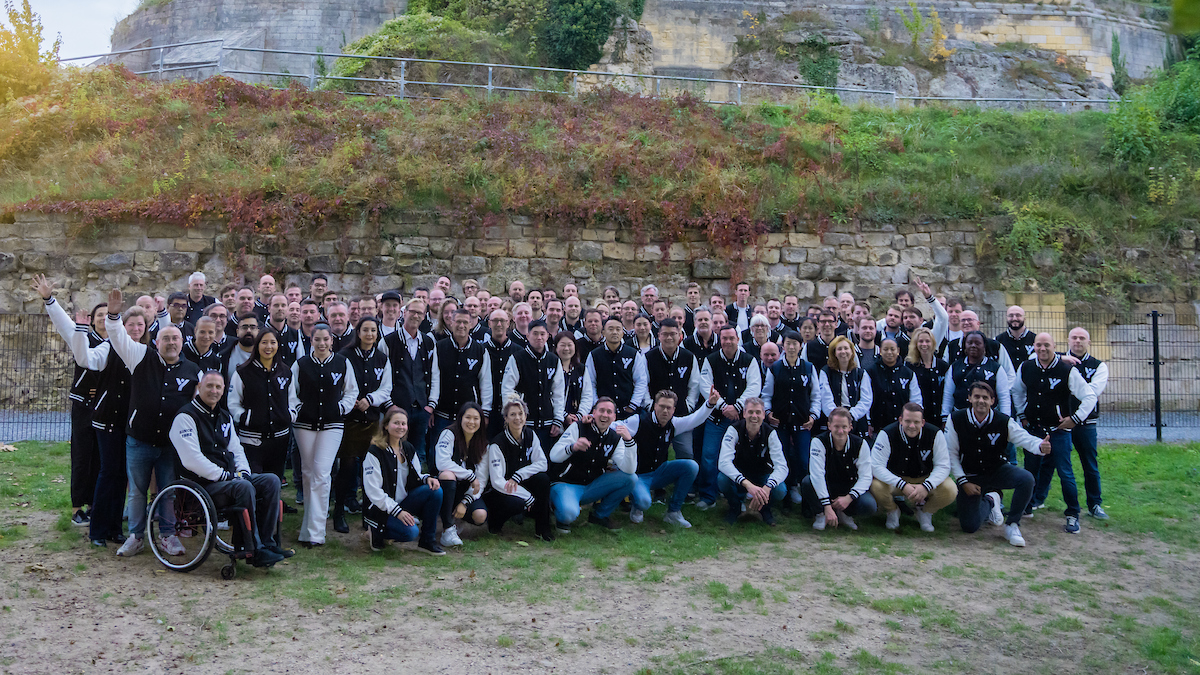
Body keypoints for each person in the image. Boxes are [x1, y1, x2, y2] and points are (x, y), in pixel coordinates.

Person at [103, 288, 202, 557]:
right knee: (136, 492)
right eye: (165, 338)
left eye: (175, 338)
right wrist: (113, 315)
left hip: (170, 444)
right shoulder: (140, 356)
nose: (171, 342)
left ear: (182, 342)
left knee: (168, 491)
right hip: (139, 439)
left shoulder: (192, 370)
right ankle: (135, 537)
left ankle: (168, 536)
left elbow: (201, 404)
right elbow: (118, 338)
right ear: (156, 342)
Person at [170, 371, 288, 567]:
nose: (214, 391)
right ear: (199, 387)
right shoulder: (185, 417)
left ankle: (268, 543)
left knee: (271, 481)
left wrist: (244, 472)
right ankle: (252, 549)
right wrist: (225, 475)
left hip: (229, 480)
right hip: (202, 486)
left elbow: (236, 449)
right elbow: (191, 460)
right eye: (209, 386)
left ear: (224, 390)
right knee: (243, 487)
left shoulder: (224, 416)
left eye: (218, 387)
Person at [34, 275, 103, 529]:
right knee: (82, 455)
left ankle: (96, 504)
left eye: (107, 315)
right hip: (84, 405)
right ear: (92, 320)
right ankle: (77, 507)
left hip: (108, 408)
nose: (103, 319)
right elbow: (63, 323)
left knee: (101, 457)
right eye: (99, 315)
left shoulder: (119, 342)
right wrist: (48, 299)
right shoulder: (81, 336)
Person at [946, 382, 1050, 547]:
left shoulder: (1003, 421)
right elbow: (951, 454)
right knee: (969, 526)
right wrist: (963, 481)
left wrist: (1040, 446)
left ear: (992, 401)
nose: (981, 401)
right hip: (971, 475)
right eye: (977, 396)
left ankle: (1012, 525)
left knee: (1026, 479)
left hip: (997, 470)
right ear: (969, 398)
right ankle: (991, 500)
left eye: (985, 397)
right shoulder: (955, 419)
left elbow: (1023, 437)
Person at [1013, 333, 1097, 534]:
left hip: (1058, 431)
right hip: (1033, 430)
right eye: (1038, 345)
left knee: (1065, 473)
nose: (1042, 349)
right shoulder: (1026, 367)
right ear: (1033, 346)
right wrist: (1022, 415)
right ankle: (1026, 507)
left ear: (1054, 346)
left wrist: (1075, 419)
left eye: (1046, 345)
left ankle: (1072, 514)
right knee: (1029, 471)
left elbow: (1089, 396)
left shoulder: (1066, 370)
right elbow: (1017, 391)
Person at [288, 323, 359, 547]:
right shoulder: (301, 364)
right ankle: (307, 529)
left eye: (325, 339)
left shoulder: (342, 363)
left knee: (321, 473)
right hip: (304, 426)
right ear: (311, 341)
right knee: (308, 474)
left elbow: (351, 391)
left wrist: (340, 408)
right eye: (317, 339)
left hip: (332, 425)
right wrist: (298, 410)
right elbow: (291, 393)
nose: (321, 343)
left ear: (331, 340)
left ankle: (316, 532)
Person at [621, 388, 718, 528]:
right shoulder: (637, 421)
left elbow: (694, 419)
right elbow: (613, 427)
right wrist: (592, 421)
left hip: (660, 472)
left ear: (673, 410)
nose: (665, 411)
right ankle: (637, 506)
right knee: (644, 502)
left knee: (691, 466)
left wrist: (709, 404)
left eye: (669, 408)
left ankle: (673, 512)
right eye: (662, 406)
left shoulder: (674, 423)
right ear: (655, 406)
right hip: (638, 476)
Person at [331, 316, 393, 534]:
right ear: (358, 332)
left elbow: (386, 388)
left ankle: (369, 514)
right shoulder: (344, 355)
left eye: (373, 330)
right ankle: (339, 511)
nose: (369, 334)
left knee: (370, 469)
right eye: (365, 330)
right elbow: (339, 382)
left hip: (372, 422)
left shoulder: (382, 358)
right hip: (350, 421)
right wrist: (352, 400)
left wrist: (370, 399)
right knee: (347, 468)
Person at [362, 407, 446, 556]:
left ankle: (427, 540)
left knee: (435, 490)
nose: (400, 427)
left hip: (403, 503)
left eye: (403, 424)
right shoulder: (374, 452)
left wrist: (428, 478)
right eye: (396, 423)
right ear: (386, 425)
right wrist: (398, 511)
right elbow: (373, 491)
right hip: (381, 509)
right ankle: (376, 531)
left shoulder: (407, 448)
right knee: (410, 532)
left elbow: (417, 475)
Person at [695, 325, 762, 510]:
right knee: (709, 456)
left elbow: (754, 386)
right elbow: (705, 386)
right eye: (724, 338)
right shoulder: (711, 360)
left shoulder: (749, 360)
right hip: (716, 419)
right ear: (720, 340)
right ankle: (709, 496)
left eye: (731, 338)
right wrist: (723, 406)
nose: (728, 341)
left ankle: (738, 495)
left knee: (740, 458)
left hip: (741, 421)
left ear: (738, 339)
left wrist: (737, 406)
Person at [548, 398, 639, 532]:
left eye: (609, 412)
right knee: (569, 514)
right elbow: (554, 455)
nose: (605, 415)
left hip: (592, 486)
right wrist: (573, 447)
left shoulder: (615, 437)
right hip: (566, 483)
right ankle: (557, 508)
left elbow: (629, 469)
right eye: (601, 410)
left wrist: (629, 441)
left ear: (614, 417)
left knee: (631, 479)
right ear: (594, 413)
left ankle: (600, 515)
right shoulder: (579, 427)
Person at [227, 328, 293, 512]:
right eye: (264, 342)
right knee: (254, 482)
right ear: (257, 345)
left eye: (272, 342)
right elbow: (233, 404)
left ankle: (271, 523)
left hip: (279, 440)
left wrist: (287, 416)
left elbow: (293, 400)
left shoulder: (286, 372)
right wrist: (248, 418)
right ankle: (251, 520)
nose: (268, 347)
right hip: (251, 441)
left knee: (275, 482)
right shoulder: (243, 372)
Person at [870, 403, 956, 532]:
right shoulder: (887, 433)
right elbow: (876, 466)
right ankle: (892, 511)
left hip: (924, 478)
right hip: (896, 480)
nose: (912, 426)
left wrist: (927, 486)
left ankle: (925, 512)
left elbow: (943, 466)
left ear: (922, 422)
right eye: (907, 421)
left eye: (916, 422)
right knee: (875, 486)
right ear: (900, 420)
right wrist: (902, 484)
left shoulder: (935, 434)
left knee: (950, 489)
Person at [762, 330, 821, 506]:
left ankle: (807, 499)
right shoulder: (775, 368)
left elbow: (816, 396)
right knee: (783, 458)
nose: (792, 347)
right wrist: (768, 412)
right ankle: (786, 496)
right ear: (783, 346)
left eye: (795, 343)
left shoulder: (809, 368)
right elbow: (767, 394)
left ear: (800, 346)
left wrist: (813, 415)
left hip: (803, 423)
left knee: (804, 460)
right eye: (788, 343)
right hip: (780, 422)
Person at [484, 398, 555, 541]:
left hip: (519, 481)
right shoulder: (497, 444)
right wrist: (527, 497)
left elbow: (542, 463)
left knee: (543, 479)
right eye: (512, 414)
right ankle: (495, 522)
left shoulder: (530, 435)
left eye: (520, 414)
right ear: (505, 418)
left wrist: (519, 475)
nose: (517, 418)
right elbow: (497, 481)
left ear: (525, 416)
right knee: (517, 503)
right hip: (501, 490)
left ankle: (542, 530)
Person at [382, 299, 437, 465]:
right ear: (404, 312)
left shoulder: (428, 342)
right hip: (396, 407)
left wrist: (431, 405)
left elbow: (434, 374)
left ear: (424, 316)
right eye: (413, 311)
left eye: (420, 313)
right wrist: (389, 405)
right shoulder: (388, 341)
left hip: (421, 408)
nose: (416, 315)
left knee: (418, 453)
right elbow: (380, 376)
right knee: (393, 452)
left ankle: (417, 480)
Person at [717, 397, 787, 525]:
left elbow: (782, 467)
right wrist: (747, 484)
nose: (754, 416)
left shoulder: (771, 433)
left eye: (758, 412)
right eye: (750, 412)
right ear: (744, 413)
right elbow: (723, 462)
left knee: (780, 490)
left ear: (763, 414)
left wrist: (767, 487)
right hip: (739, 474)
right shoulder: (733, 430)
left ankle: (764, 508)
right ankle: (735, 507)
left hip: (762, 475)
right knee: (722, 479)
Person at [805, 408, 877, 531]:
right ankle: (821, 514)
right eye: (836, 426)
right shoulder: (818, 442)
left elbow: (866, 476)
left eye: (844, 427)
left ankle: (846, 514)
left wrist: (849, 497)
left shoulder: (861, 444)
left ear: (850, 427)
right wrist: (827, 506)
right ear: (829, 426)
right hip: (827, 485)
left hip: (848, 487)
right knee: (807, 482)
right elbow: (817, 474)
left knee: (869, 505)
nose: (840, 431)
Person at [431, 403, 490, 547]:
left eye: (476, 418)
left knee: (480, 516)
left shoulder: (483, 445)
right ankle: (447, 529)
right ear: (460, 418)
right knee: (447, 474)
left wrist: (465, 502)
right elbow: (442, 463)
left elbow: (481, 480)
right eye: (468, 417)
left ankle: (458, 521)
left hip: (465, 490)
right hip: (444, 487)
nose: (471, 422)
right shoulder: (449, 434)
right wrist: (470, 476)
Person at [1066, 327, 1110, 520]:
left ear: (1089, 342)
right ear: (1068, 340)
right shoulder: (1057, 361)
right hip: (1061, 422)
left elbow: (1092, 392)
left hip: (1086, 423)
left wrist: (1069, 387)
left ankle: (1095, 504)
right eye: (1074, 337)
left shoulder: (1099, 366)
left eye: (1082, 338)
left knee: (1090, 465)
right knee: (1049, 463)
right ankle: (1036, 500)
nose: (1078, 341)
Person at [502, 319, 565, 451]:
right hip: (524, 423)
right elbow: (507, 389)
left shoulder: (554, 360)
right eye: (535, 334)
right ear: (528, 336)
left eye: (542, 334)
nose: (539, 337)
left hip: (548, 424)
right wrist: (513, 417)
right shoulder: (517, 358)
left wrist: (558, 419)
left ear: (547, 336)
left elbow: (558, 393)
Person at [430, 309, 492, 441]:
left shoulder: (480, 350)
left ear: (470, 324)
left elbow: (485, 383)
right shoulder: (440, 347)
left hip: (469, 417)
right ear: (451, 323)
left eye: (465, 322)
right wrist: (432, 405)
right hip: (442, 414)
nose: (461, 326)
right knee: (438, 450)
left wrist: (485, 411)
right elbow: (434, 378)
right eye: (458, 321)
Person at [645, 318, 701, 460]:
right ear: (659, 335)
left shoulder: (689, 357)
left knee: (686, 454)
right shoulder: (648, 357)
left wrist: (689, 405)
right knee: (652, 455)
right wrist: (650, 405)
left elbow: (694, 385)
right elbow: (643, 384)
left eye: (673, 334)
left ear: (680, 335)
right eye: (665, 334)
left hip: (681, 414)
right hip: (655, 416)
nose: (669, 337)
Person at [580, 317, 649, 417]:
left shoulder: (633, 354)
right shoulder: (594, 355)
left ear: (622, 333)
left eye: (618, 329)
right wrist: (597, 405)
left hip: (628, 410)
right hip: (603, 413)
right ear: (603, 333)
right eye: (611, 329)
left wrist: (633, 405)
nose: (614, 332)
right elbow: (590, 383)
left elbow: (641, 381)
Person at [942, 331, 1011, 424]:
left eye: (977, 343)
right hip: (960, 419)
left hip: (989, 420)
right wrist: (945, 417)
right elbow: (948, 395)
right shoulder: (955, 367)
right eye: (970, 343)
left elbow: (1004, 397)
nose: (973, 346)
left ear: (984, 346)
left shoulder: (996, 368)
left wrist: (1005, 420)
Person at [866, 338, 923, 438]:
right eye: (886, 349)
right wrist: (868, 422)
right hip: (877, 427)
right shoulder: (870, 372)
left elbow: (916, 400)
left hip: (903, 427)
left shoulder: (908, 373)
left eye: (892, 349)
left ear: (898, 351)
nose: (889, 352)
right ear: (880, 350)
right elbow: (866, 399)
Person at [819, 336, 873, 437]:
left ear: (852, 352)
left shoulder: (861, 373)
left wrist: (851, 415)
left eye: (846, 348)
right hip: (834, 422)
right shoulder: (825, 372)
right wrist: (837, 417)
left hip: (857, 422)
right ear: (834, 353)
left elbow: (866, 399)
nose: (843, 352)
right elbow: (825, 399)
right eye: (839, 349)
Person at [482, 309, 516, 438]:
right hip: (488, 413)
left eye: (502, 321)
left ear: (508, 323)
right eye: (495, 321)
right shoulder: (481, 350)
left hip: (511, 412)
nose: (499, 324)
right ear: (489, 323)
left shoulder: (518, 351)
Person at [906, 327, 949, 427]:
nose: (924, 344)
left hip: (940, 417)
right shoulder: (910, 366)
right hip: (920, 417)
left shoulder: (943, 366)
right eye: (921, 341)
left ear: (933, 343)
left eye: (927, 341)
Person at [264, 293, 304, 366]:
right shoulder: (261, 333)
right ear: (269, 308)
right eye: (276, 305)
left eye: (283, 305)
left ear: (287, 308)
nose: (280, 308)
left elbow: (300, 361)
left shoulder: (295, 334)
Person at [555, 332, 584, 428]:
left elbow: (587, 394)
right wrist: (564, 415)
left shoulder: (581, 369)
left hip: (578, 420)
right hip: (556, 421)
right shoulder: (551, 367)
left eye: (569, 345)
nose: (566, 349)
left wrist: (579, 415)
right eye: (562, 345)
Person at [995, 306, 1036, 371]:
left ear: (1024, 318)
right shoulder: (997, 341)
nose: (1014, 318)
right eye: (1011, 315)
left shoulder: (1036, 340)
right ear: (1006, 318)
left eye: (1018, 315)